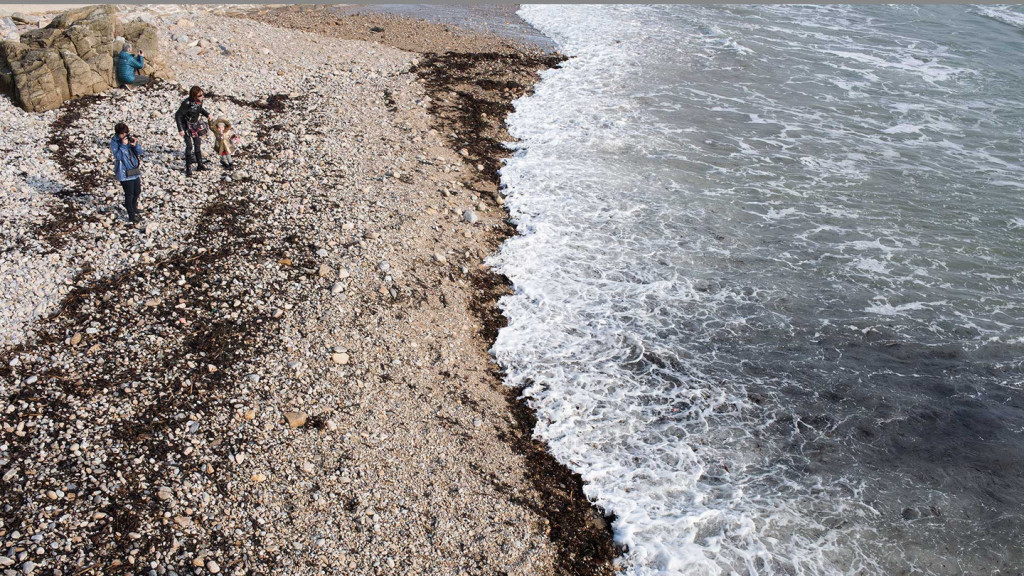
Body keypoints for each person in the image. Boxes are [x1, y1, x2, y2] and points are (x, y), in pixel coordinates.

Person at [110, 122, 144, 223]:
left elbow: (140, 152)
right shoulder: (115, 142)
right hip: (124, 172)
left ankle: (133, 207)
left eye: (126, 133)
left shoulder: (128, 139)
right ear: (118, 134)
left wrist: (135, 145)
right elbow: (118, 156)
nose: (125, 135)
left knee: (137, 191)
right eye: (123, 134)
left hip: (133, 169)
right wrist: (124, 146)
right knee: (129, 194)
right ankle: (131, 216)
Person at [174, 85, 211, 177]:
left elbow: (200, 109)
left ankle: (200, 164)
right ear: (194, 96)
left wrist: (207, 114)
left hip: (195, 125)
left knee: (197, 144)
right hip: (186, 125)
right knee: (189, 146)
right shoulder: (186, 103)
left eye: (202, 94)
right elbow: (178, 115)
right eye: (200, 95)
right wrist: (180, 129)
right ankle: (188, 168)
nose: (202, 97)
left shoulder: (199, 102)